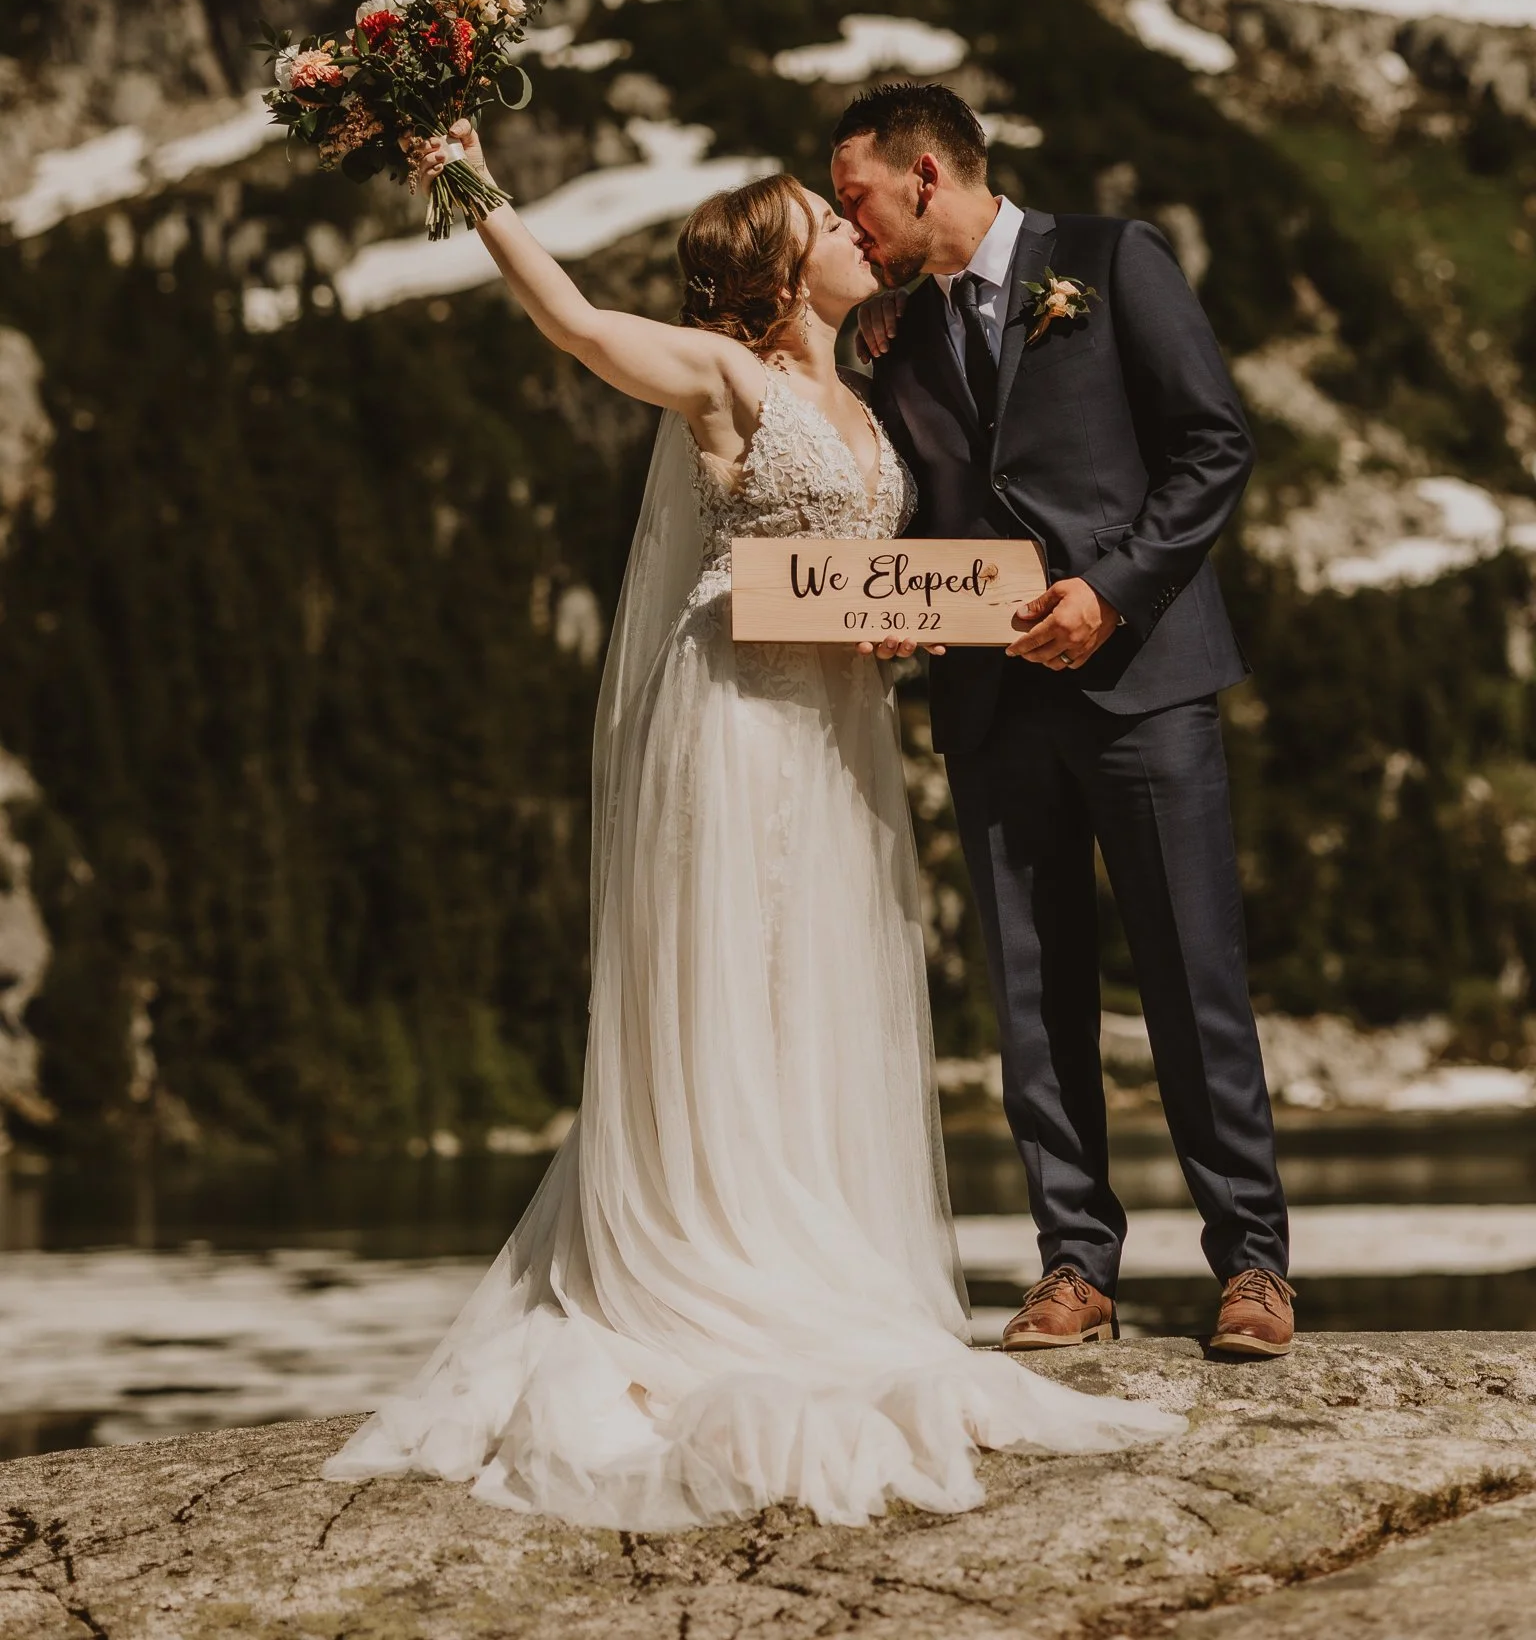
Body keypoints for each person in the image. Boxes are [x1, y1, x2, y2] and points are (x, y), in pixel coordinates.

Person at [323, 119, 1183, 1530]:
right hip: (732, 723)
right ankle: (713, 1251)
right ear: (778, 273)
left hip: (839, 730)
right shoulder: (724, 375)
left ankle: (820, 1241)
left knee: (822, 992)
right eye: (823, 225)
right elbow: (574, 322)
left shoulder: (864, 391)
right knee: (730, 978)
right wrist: (464, 177)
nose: (853, 233)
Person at [836, 83, 1292, 1360]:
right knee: (1032, 996)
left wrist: (1115, 591)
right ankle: (1075, 1265)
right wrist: (904, 602)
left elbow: (1213, 446)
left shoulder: (1108, 257)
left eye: (855, 195)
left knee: (1192, 975)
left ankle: (1252, 1262)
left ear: (926, 174)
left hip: (1141, 677)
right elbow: (930, 511)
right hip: (991, 703)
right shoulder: (898, 340)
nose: (847, 221)